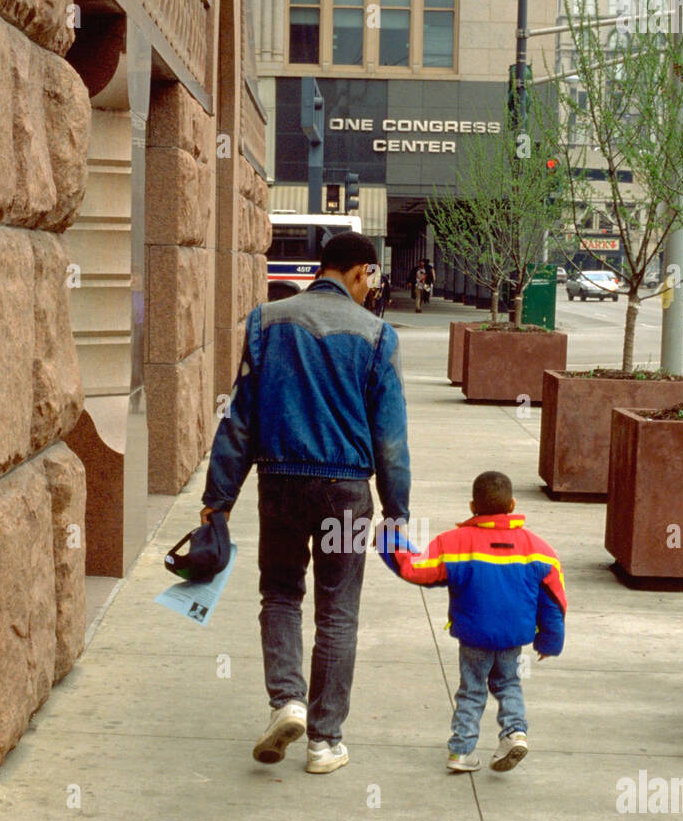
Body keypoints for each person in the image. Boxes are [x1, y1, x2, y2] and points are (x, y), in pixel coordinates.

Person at [201, 233, 411, 775]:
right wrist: (397, 510)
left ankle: (286, 702)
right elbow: (390, 438)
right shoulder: (377, 335)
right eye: (374, 278)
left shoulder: (267, 321)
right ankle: (324, 742)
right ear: (361, 272)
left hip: (281, 484)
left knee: (280, 593)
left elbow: (238, 417)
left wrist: (218, 499)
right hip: (345, 491)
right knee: (338, 611)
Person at [379, 470, 566, 773]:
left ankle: (462, 751)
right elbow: (554, 600)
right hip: (512, 637)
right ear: (513, 504)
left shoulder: (454, 543)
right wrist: (549, 641)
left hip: (474, 635)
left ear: (471, 507)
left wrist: (389, 539)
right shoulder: (539, 549)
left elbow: (417, 569)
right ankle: (514, 733)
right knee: (508, 683)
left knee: (472, 689)